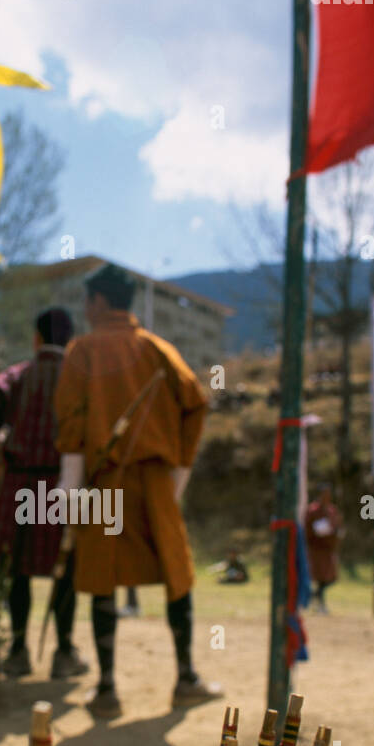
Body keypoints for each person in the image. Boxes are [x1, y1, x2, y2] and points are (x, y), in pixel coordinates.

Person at [54, 262, 222, 718]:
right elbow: (197, 403)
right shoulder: (158, 349)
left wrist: (68, 494)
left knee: (101, 581)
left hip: (103, 482)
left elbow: (70, 428)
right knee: (176, 575)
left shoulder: (81, 351)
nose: (87, 309)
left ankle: (107, 689)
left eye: (89, 301)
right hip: (154, 481)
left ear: (101, 302)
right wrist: (178, 472)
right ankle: (185, 677)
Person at [0, 307, 87, 679]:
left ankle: (18, 650)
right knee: (66, 570)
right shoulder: (80, 380)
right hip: (66, 487)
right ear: (69, 342)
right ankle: (64, 653)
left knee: (16, 569)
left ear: (36, 339)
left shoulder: (16, 377)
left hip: (20, 484)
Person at [305, 482, 343, 612]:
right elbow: (308, 527)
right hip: (317, 548)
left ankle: (315, 597)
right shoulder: (313, 509)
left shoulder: (332, 509)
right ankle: (319, 603)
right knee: (320, 577)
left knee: (331, 577)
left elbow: (337, 524)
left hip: (329, 548)